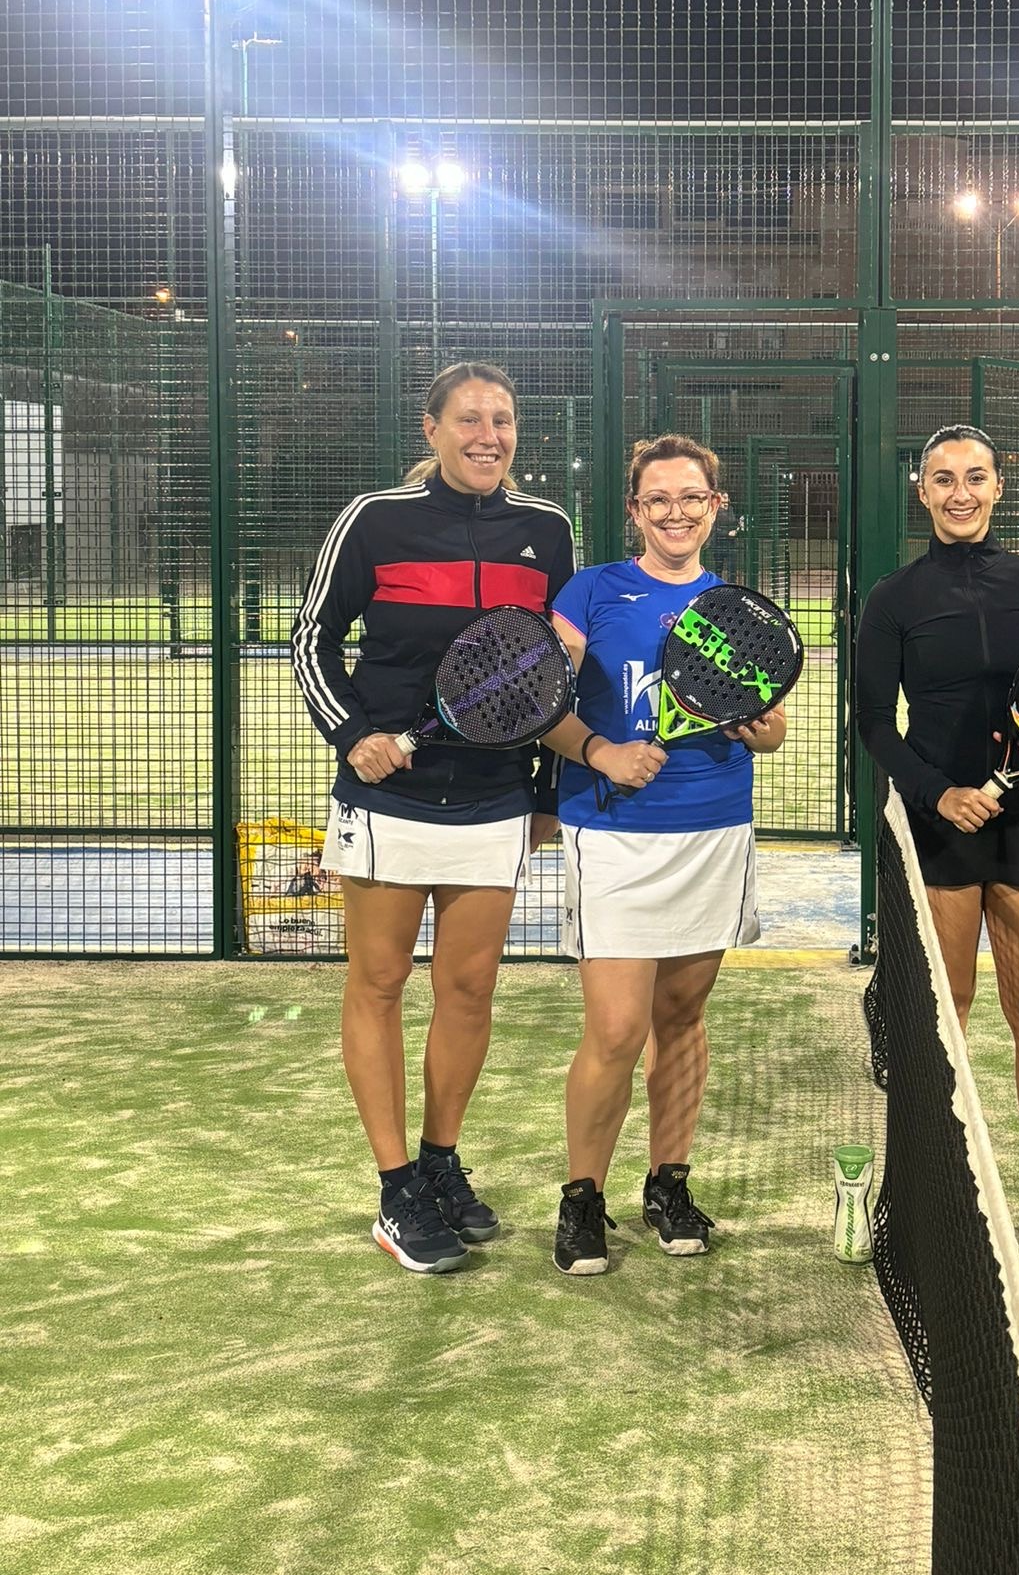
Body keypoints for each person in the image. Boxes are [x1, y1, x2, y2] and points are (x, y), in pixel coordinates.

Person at [292, 362, 574, 1274]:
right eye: (470, 419)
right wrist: (353, 736)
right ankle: (395, 1189)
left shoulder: (547, 530)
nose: (488, 436)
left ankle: (441, 1164)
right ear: (432, 429)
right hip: (389, 796)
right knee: (378, 984)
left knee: (469, 990)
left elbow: (552, 671)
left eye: (503, 420)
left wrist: (544, 793)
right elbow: (310, 639)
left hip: (494, 796)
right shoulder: (374, 519)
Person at [856, 423, 1019, 1266]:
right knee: (945, 1019)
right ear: (922, 492)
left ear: (999, 487)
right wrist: (939, 794)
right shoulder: (893, 598)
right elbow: (874, 723)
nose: (959, 492)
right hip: (938, 828)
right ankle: (932, 1195)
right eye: (943, 479)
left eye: (975, 477)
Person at [538, 435, 788, 1277]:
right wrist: (600, 751)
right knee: (616, 1029)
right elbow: (544, 702)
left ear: (716, 506)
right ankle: (582, 1198)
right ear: (635, 510)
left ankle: (668, 1184)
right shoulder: (592, 592)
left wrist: (766, 731)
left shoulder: (735, 607)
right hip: (611, 833)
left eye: (692, 497)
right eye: (658, 499)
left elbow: (770, 723)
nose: (675, 513)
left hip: (712, 829)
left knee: (682, 1019)